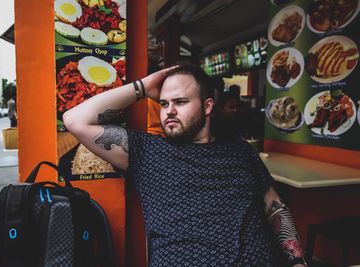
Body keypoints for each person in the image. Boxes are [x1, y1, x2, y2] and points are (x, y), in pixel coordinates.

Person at [63, 64, 307, 266]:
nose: (169, 111)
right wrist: (143, 87)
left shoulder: (240, 151)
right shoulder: (146, 151)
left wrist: (298, 261)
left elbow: (275, 207)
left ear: (207, 106)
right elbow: (75, 120)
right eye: (164, 103)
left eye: (180, 102)